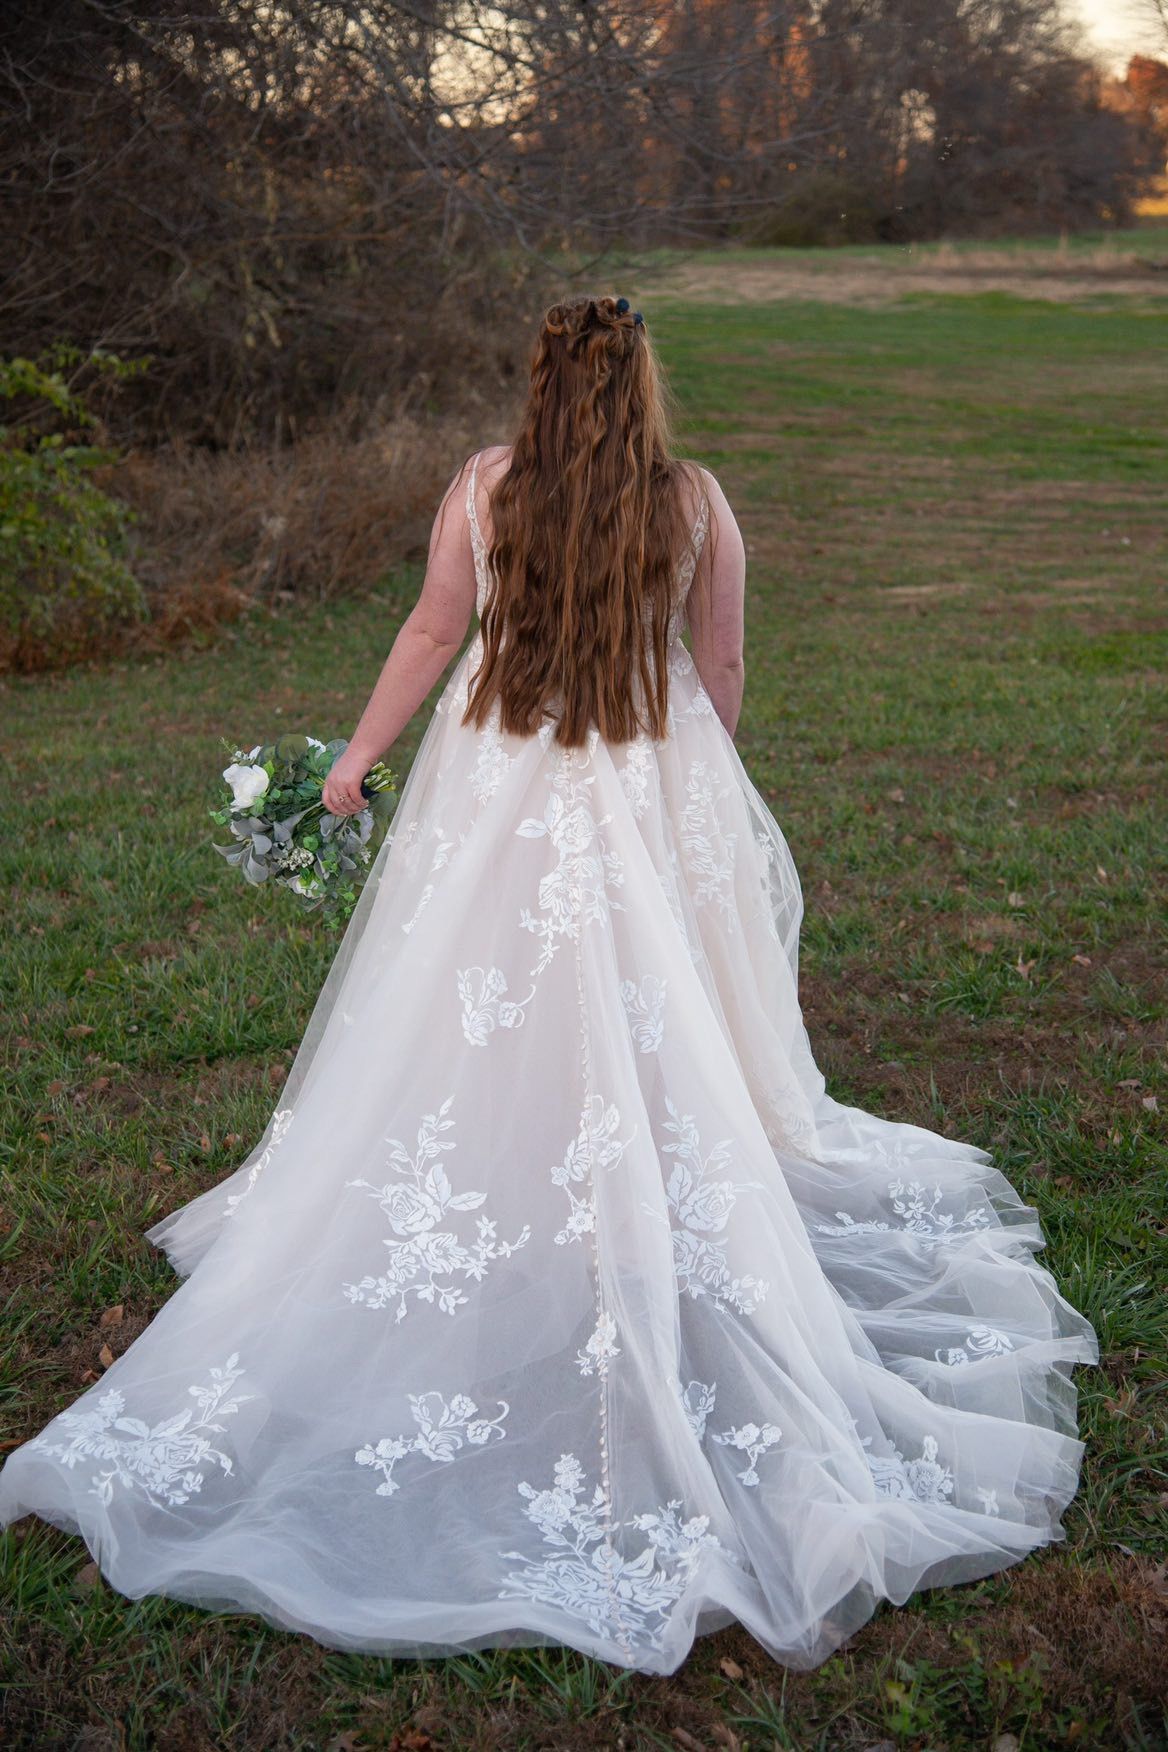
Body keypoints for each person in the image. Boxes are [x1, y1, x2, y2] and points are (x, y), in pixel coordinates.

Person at [0, 294, 1099, 1675]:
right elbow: (721, 664)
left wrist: (360, 758)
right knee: (641, 997)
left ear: (540, 384)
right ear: (641, 382)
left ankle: (524, 1162)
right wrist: (696, 791)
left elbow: (429, 630)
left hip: (500, 769)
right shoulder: (696, 502)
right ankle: (597, 1173)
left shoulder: (483, 488)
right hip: (644, 766)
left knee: (477, 990)